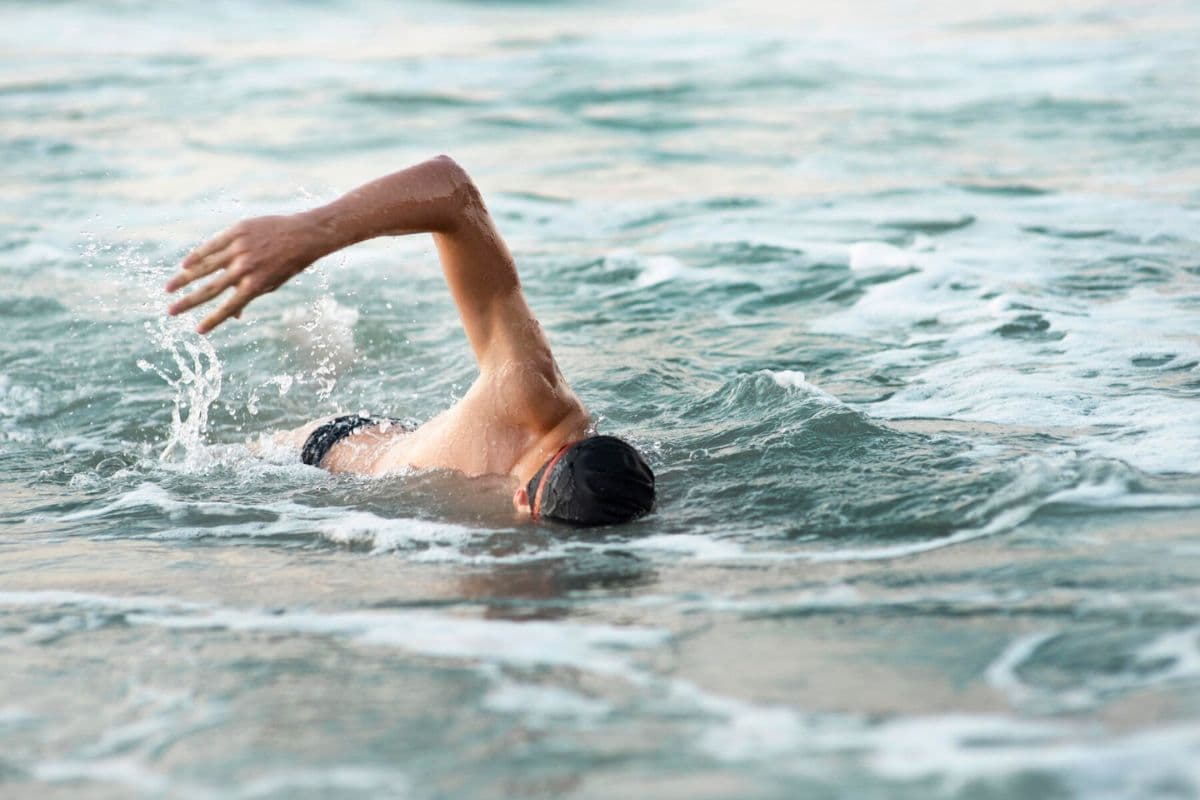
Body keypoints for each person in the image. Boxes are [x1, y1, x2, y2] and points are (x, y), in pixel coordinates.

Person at [164, 155, 655, 525]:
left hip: (417, 457)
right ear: (523, 500)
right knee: (188, 474)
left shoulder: (615, 488)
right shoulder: (529, 389)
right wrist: (310, 233)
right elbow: (451, 188)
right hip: (319, 458)